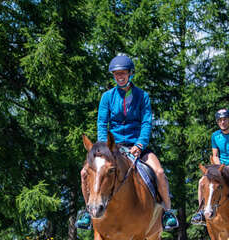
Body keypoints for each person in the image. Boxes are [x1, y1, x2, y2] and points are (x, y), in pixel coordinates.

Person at [76, 55, 179, 231]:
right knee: (85, 172)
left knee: (160, 172)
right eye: (116, 74)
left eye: (123, 73)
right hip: (112, 148)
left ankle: (167, 211)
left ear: (130, 74)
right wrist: (103, 146)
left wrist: (139, 145)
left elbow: (146, 122)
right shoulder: (107, 97)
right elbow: (102, 123)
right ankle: (88, 212)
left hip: (137, 146)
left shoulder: (142, 96)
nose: (120, 77)